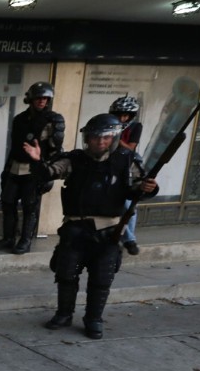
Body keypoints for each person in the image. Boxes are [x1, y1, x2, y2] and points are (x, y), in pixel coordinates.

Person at [21, 113, 158, 339]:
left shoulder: (127, 160)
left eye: (105, 138)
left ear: (113, 138)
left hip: (109, 232)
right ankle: (64, 314)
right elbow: (47, 173)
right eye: (95, 138)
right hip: (75, 229)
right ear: (88, 138)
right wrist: (36, 160)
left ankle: (93, 319)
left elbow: (137, 190)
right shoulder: (74, 159)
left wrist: (149, 188)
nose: (100, 142)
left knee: (101, 279)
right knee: (65, 274)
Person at [0, 81, 66, 254]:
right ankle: (8, 238)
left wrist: (47, 174)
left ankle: (25, 241)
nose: (42, 101)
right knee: (8, 203)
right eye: (39, 97)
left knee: (30, 206)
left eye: (45, 98)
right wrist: (6, 170)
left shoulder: (54, 120)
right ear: (31, 99)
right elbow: (15, 147)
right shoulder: (19, 119)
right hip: (16, 166)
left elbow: (56, 151)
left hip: (35, 169)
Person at [109, 95, 144, 256]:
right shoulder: (107, 123)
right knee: (118, 203)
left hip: (128, 164)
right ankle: (128, 239)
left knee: (131, 205)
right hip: (109, 163)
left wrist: (115, 137)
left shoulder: (136, 126)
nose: (122, 118)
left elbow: (131, 147)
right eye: (119, 115)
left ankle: (130, 239)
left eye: (126, 115)